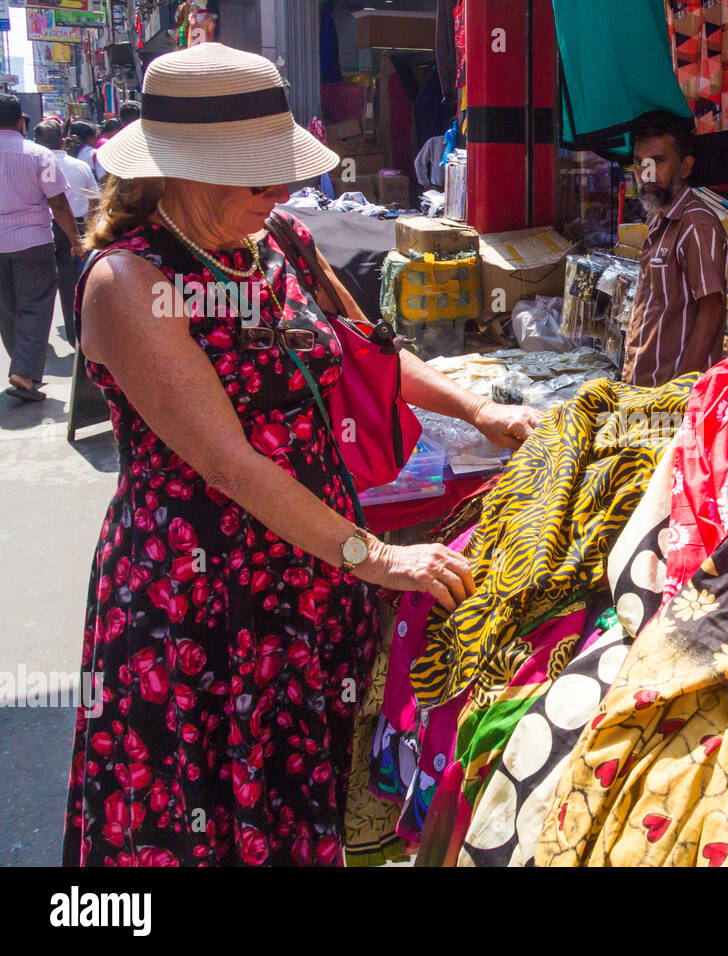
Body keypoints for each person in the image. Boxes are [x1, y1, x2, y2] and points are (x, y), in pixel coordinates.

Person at [62, 44, 540, 867]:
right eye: (259, 179)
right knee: (199, 813)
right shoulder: (130, 284)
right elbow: (230, 465)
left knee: (293, 804)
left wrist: (480, 410)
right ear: (186, 173)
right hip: (202, 603)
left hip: (307, 578)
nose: (283, 195)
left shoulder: (277, 238)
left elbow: (368, 354)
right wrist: (378, 556)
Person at [621, 110, 728, 388]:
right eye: (639, 163)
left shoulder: (695, 223)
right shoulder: (657, 218)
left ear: (684, 167)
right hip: (646, 387)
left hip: (673, 395)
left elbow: (712, 308)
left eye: (657, 161)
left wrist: (682, 385)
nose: (646, 173)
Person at [0, 94, 85, 402]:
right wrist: (76, 240)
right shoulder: (40, 156)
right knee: (35, 305)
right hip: (33, 242)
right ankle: (23, 372)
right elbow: (59, 202)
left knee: (6, 309)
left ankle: (21, 369)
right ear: (22, 120)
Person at [31, 120, 98, 339]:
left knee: (54, 285)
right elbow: (95, 202)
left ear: (37, 142)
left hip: (44, 229)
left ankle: (64, 333)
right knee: (80, 281)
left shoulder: (33, 164)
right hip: (78, 227)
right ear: (62, 141)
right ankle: (80, 332)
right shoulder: (80, 166)